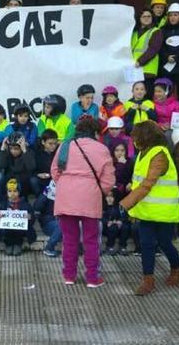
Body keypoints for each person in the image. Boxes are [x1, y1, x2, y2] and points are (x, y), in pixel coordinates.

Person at [120, 121, 179, 296]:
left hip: (164, 211)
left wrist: (125, 203)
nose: (133, 140)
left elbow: (148, 183)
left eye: (135, 136)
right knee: (146, 244)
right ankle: (148, 280)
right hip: (147, 210)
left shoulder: (159, 154)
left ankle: (176, 269)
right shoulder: (143, 153)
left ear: (144, 137)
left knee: (164, 243)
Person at [51, 116, 114, 287]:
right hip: (90, 198)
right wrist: (98, 191)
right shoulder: (101, 149)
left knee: (69, 239)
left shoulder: (65, 145)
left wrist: (65, 184)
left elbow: (55, 170)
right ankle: (92, 278)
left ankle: (69, 276)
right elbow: (108, 180)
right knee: (91, 240)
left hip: (66, 198)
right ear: (95, 132)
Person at [0, 179, 34, 256]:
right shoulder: (3, 204)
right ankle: (9, 245)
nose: (12, 194)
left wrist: (29, 217)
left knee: (19, 230)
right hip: (7, 230)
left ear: (19, 192)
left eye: (15, 191)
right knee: (6, 230)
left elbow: (32, 216)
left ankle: (18, 244)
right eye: (10, 191)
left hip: (20, 231)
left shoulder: (25, 204)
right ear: (7, 193)